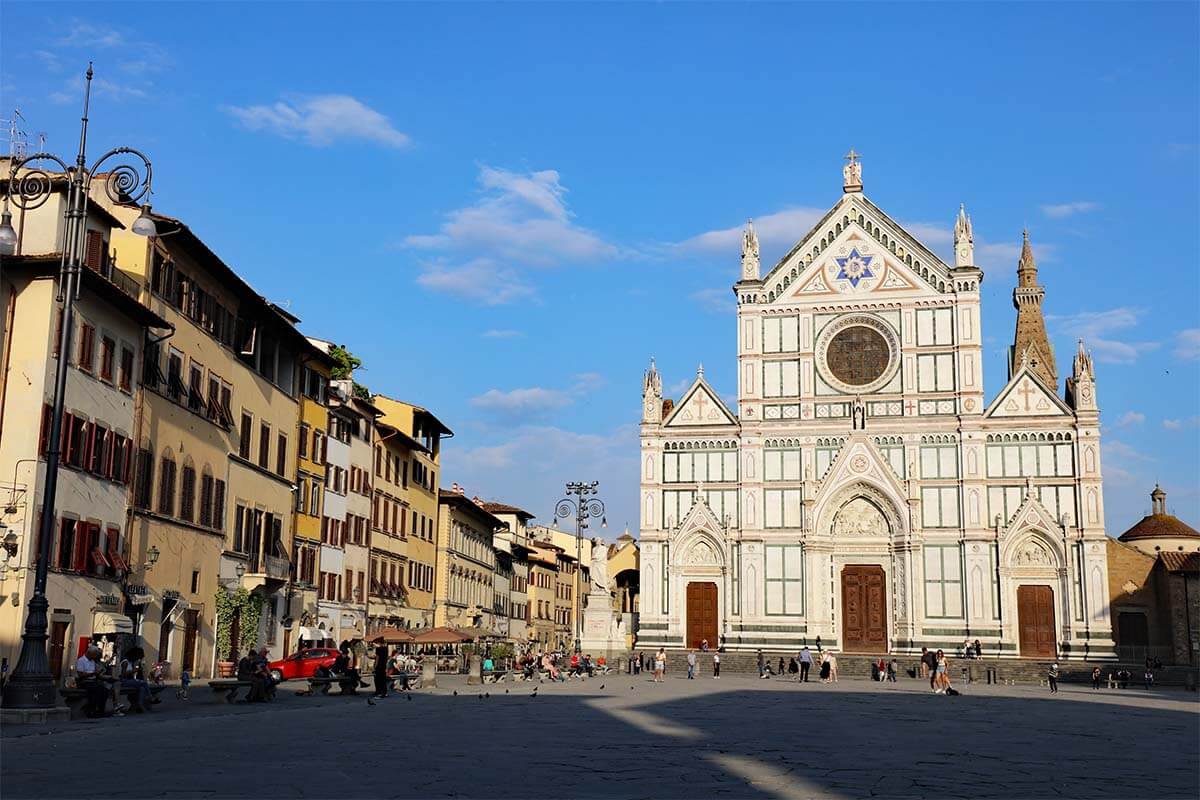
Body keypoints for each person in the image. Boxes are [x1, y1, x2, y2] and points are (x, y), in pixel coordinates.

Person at [77, 645, 116, 718]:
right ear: (89, 653)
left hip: (93, 680)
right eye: (94, 655)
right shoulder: (81, 660)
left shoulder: (92, 661)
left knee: (104, 690)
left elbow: (97, 673)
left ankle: (100, 710)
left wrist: (99, 673)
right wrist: (92, 674)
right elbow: (80, 674)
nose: (94, 657)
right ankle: (91, 710)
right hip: (85, 681)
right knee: (96, 690)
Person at [119, 646, 156, 712]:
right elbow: (123, 674)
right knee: (144, 683)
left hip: (130, 680)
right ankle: (150, 698)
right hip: (123, 681)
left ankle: (139, 704)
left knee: (142, 688)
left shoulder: (131, 662)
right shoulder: (125, 662)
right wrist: (134, 670)